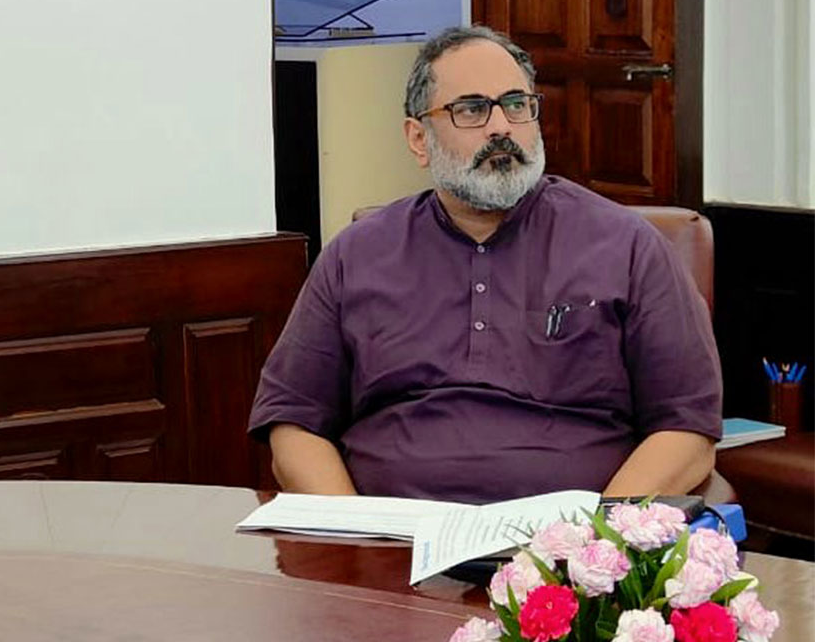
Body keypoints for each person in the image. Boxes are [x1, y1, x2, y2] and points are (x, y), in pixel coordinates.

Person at [249, 25, 721, 503]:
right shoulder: (357, 255)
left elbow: (687, 430)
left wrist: (599, 538)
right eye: (472, 109)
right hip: (391, 545)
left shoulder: (627, 247)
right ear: (418, 138)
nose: (501, 127)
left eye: (516, 104)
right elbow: (293, 422)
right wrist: (353, 538)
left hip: (568, 550)